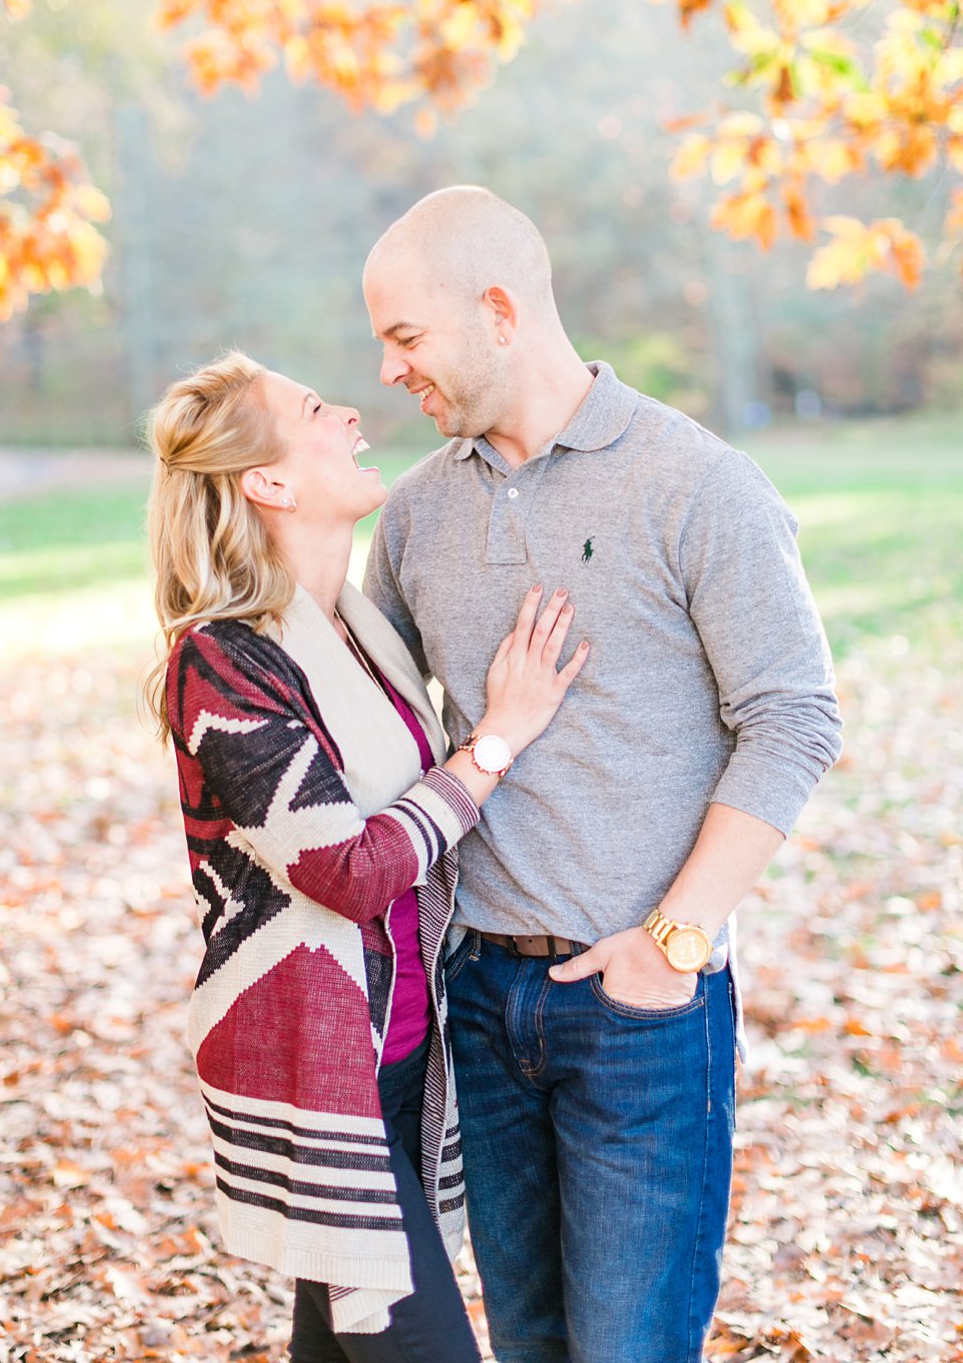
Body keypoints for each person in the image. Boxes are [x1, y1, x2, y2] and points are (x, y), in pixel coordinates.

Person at [361, 186, 843, 1361]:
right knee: (525, 1345)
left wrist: (672, 943)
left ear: (497, 311)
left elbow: (793, 719)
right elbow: (367, 731)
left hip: (644, 1013)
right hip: (479, 1000)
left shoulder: (696, 482)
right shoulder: (416, 515)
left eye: (404, 337)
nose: (386, 371)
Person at [147, 351, 588, 1354]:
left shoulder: (354, 627)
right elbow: (345, 874)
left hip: (403, 1052)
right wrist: (493, 746)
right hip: (315, 1073)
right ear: (267, 482)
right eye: (312, 410)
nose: (349, 412)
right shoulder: (217, 660)